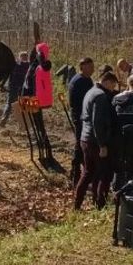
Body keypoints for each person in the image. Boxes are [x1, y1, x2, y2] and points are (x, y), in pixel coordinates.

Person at [75, 71, 120, 209]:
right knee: (105, 173)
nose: (113, 88)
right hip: (95, 141)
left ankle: (77, 204)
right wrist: (102, 145)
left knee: (88, 173)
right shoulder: (100, 96)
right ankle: (100, 205)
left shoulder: (90, 91)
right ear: (107, 81)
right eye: (113, 85)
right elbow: (98, 122)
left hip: (85, 138)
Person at [22, 42, 64, 173]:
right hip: (33, 100)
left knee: (38, 126)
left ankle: (46, 151)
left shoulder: (39, 66)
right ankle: (44, 150)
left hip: (33, 100)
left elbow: (30, 85)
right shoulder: (38, 66)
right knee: (37, 126)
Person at [67, 58, 96, 186]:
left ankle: (81, 172)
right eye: (90, 66)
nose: (92, 69)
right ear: (83, 67)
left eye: (93, 66)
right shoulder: (78, 81)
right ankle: (75, 174)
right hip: (80, 117)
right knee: (80, 144)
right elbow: (74, 102)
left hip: (85, 116)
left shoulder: (87, 80)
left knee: (82, 144)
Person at [0, 51, 30, 125]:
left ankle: (4, 118)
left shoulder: (14, 65)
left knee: (9, 104)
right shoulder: (30, 66)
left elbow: (6, 75)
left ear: (19, 57)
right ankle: (25, 124)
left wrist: (2, 85)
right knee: (24, 106)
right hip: (24, 89)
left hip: (13, 88)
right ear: (27, 57)